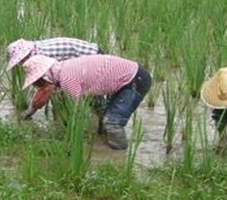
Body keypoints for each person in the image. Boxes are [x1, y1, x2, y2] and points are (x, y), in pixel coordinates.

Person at [21, 54, 152, 150]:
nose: (39, 86)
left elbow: (78, 112)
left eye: (39, 82)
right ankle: (106, 142)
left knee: (112, 121)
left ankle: (119, 155)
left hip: (135, 80)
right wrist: (30, 111)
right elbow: (45, 93)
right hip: (129, 77)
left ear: (45, 76)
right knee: (104, 114)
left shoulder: (67, 79)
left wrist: (70, 141)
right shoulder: (62, 68)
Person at [6, 37, 104, 119]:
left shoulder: (41, 58)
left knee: (92, 96)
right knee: (65, 91)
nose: (21, 63)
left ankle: (102, 120)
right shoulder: (38, 48)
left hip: (93, 59)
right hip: (90, 54)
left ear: (25, 55)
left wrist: (30, 112)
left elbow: (46, 88)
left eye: (20, 60)